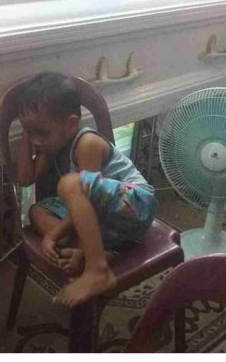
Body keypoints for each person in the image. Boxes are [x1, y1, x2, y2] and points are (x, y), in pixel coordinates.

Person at [16, 72, 157, 307]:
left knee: (70, 184)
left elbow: (87, 199)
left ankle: (96, 269)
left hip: (135, 203)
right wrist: (28, 131)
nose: (36, 141)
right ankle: (95, 254)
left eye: (42, 132)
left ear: (71, 123)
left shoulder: (86, 143)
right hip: (109, 223)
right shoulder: (51, 145)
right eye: (31, 133)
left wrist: (53, 235)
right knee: (37, 211)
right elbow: (24, 178)